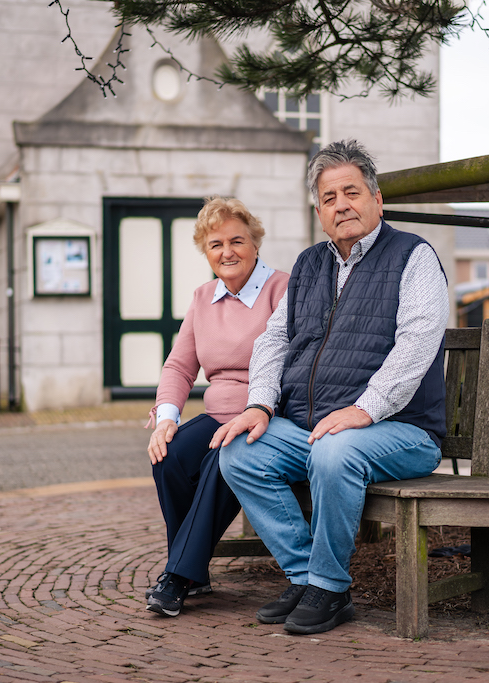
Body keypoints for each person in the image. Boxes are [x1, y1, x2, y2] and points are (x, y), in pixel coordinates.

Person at [213, 139, 449, 635]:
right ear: (319, 211)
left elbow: (417, 341)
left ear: (376, 199)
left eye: (352, 192)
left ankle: (328, 585)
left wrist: (366, 408)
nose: (341, 204)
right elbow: (274, 341)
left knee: (334, 452)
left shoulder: (413, 256)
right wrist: (259, 404)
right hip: (315, 428)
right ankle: (310, 579)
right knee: (238, 452)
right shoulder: (309, 265)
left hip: (401, 430)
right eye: (329, 198)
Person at [145, 196, 289, 617]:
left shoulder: (283, 289)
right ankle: (192, 569)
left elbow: (294, 364)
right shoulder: (203, 297)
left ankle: (178, 576)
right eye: (215, 245)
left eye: (236, 241)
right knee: (167, 456)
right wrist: (166, 419)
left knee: (219, 460)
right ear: (206, 253)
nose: (227, 252)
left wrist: (262, 407)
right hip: (217, 412)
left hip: (267, 416)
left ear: (255, 244)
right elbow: (178, 366)